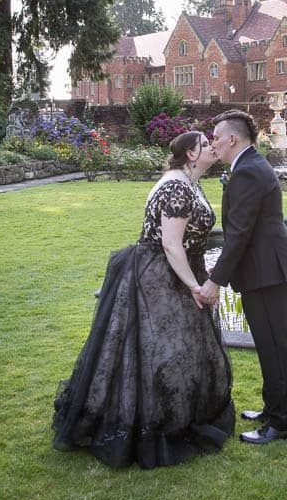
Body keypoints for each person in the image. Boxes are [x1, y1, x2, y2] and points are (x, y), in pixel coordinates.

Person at [53, 131, 235, 469]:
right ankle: (151, 425)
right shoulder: (176, 187)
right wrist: (194, 286)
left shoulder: (190, 182)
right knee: (158, 349)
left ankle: (180, 414)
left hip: (178, 269)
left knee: (180, 347)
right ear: (191, 154)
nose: (212, 146)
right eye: (205, 144)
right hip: (160, 275)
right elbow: (170, 244)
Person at [198, 110, 287, 444]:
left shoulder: (248, 171)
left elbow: (239, 233)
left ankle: (283, 423)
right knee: (271, 344)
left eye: (216, 137)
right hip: (265, 268)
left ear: (232, 139)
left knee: (274, 347)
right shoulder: (248, 166)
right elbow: (242, 231)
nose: (213, 143)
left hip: (267, 271)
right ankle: (273, 409)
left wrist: (215, 280)